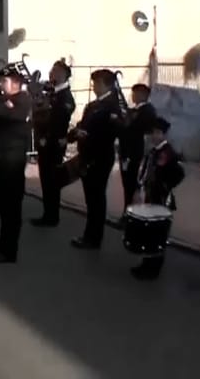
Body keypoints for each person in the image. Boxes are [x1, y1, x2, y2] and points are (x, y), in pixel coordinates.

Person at [0, 66, 32, 263]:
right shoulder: (5, 100)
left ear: (15, 83)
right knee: (3, 206)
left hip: (13, 161)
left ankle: (8, 251)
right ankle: (2, 247)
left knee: (11, 208)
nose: (1, 85)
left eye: (4, 81)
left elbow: (4, 113)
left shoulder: (23, 100)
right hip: (1, 159)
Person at [69, 69, 124, 249]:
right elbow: (83, 124)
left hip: (100, 157)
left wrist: (89, 136)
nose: (94, 87)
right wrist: (77, 132)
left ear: (104, 84)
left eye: (96, 83)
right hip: (87, 155)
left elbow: (114, 131)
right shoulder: (94, 105)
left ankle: (93, 237)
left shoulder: (112, 105)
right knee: (91, 198)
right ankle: (90, 234)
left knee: (96, 198)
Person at [129, 117, 184, 280]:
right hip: (149, 197)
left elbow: (178, 174)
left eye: (158, 133)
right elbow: (145, 172)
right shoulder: (154, 151)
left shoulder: (168, 152)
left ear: (164, 134)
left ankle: (153, 269)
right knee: (148, 232)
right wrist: (139, 188)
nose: (154, 135)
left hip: (159, 199)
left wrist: (165, 186)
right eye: (153, 132)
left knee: (157, 234)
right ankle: (146, 264)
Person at [31, 60, 77, 226]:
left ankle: (52, 216)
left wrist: (46, 136)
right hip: (44, 143)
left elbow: (57, 121)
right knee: (46, 179)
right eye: (52, 70)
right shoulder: (52, 94)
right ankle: (48, 214)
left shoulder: (65, 97)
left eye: (56, 71)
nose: (52, 73)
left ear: (64, 75)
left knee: (52, 180)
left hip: (54, 144)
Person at [119, 83, 158, 215]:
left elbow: (137, 130)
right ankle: (128, 212)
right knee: (127, 185)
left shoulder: (147, 111)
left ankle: (131, 214)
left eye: (136, 93)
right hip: (127, 153)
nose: (133, 96)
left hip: (135, 154)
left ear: (143, 95)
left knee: (132, 185)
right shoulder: (134, 110)